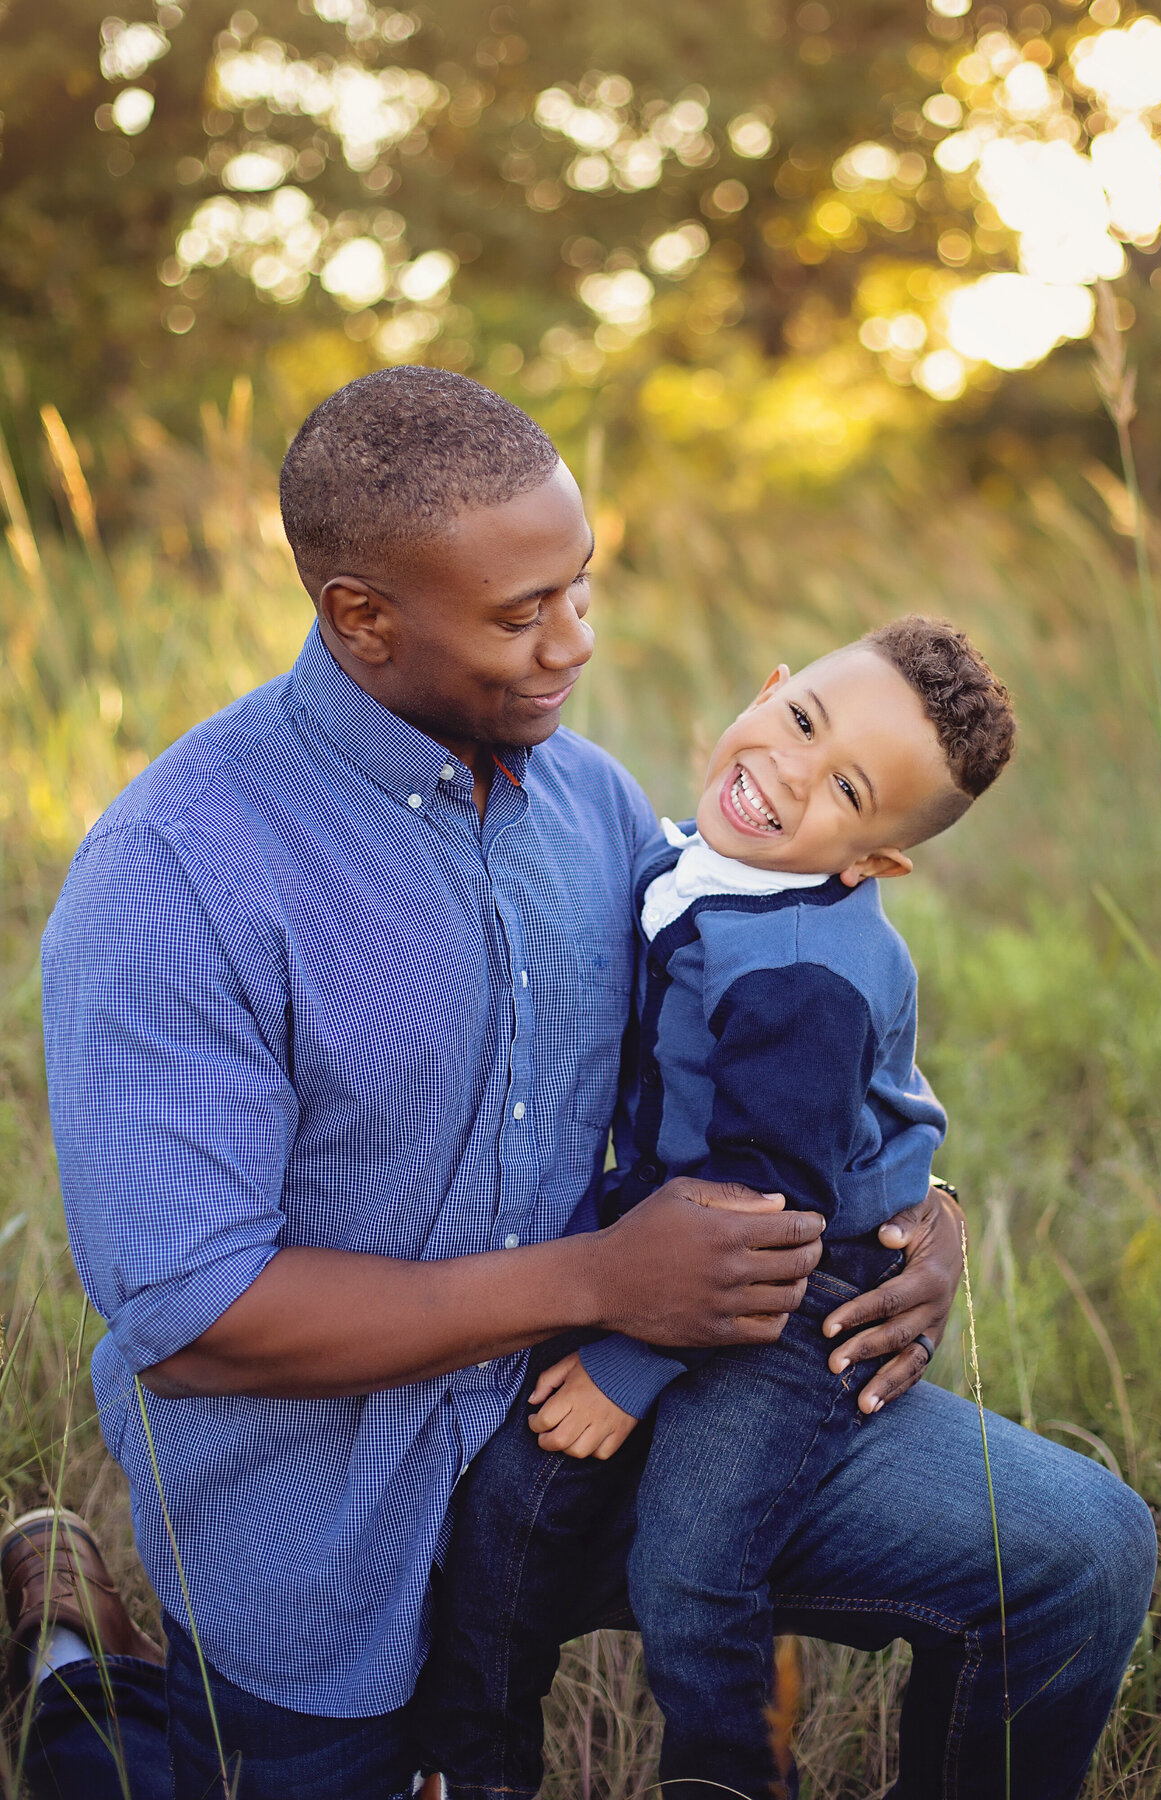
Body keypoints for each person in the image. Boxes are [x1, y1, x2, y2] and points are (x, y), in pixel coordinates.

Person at [25, 368, 970, 1800]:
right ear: (361, 616)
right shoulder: (174, 873)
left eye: (579, 589)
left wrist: (919, 1201)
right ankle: (72, 1678)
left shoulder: (586, 798)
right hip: (319, 1523)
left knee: (1069, 1554)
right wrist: (605, 1280)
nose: (574, 645)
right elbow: (190, 1321)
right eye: (522, 615)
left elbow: (772, 1020)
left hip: (568, 1434)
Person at [417, 619, 1025, 1800]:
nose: (792, 770)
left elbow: (769, 1221)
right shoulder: (697, 859)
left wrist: (628, 1370)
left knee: (693, 1565)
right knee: (515, 1499)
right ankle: (470, 1766)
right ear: (773, 685)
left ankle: (730, 1777)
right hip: (669, 1231)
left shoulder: (800, 976)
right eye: (803, 723)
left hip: (799, 1284)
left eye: (847, 787)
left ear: (874, 864)